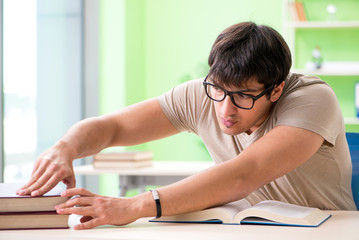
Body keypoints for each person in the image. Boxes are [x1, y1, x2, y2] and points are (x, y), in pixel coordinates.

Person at [17, 22, 357, 230]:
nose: (226, 109)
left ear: (276, 89)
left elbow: (246, 173)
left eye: (244, 96)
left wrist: (133, 205)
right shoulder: (203, 93)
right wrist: (65, 147)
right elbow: (112, 127)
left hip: (328, 230)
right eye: (219, 90)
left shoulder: (313, 98)